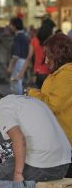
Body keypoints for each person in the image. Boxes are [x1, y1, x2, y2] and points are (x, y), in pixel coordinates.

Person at [0, 89, 71, 182]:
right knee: (9, 164)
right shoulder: (18, 100)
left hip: (46, 165)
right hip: (64, 162)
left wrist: (18, 173)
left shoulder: (1, 109)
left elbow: (19, 139)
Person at [27, 33, 72, 177]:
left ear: (59, 54)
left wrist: (32, 93)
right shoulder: (59, 73)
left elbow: (53, 104)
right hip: (60, 140)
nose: (45, 60)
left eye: (48, 55)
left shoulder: (68, 73)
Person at [15, 23, 53, 88]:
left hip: (38, 73)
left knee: (39, 94)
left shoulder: (34, 40)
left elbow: (29, 57)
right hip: (50, 72)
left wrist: (21, 73)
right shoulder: (52, 42)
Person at [7, 17, 29, 95]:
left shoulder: (18, 37)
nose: (9, 27)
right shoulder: (25, 36)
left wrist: (10, 66)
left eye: (10, 25)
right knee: (19, 81)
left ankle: (17, 101)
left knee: (15, 82)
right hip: (24, 61)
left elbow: (16, 55)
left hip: (19, 61)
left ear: (14, 26)